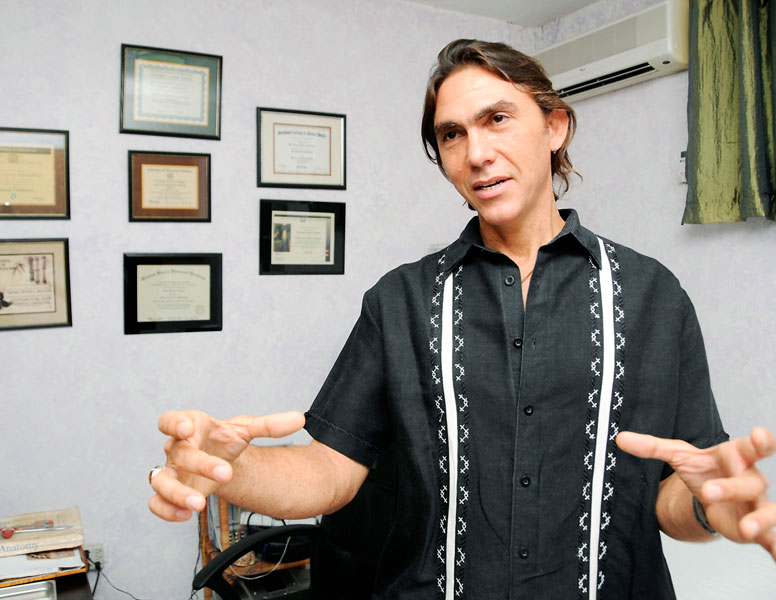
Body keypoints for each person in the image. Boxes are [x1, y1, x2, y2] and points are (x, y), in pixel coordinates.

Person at [150, 39, 776, 598]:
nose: (477, 153)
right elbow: (330, 469)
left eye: (497, 119)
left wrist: (709, 508)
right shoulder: (399, 300)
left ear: (555, 127)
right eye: (452, 135)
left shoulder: (652, 295)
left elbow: (675, 492)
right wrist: (230, 470)